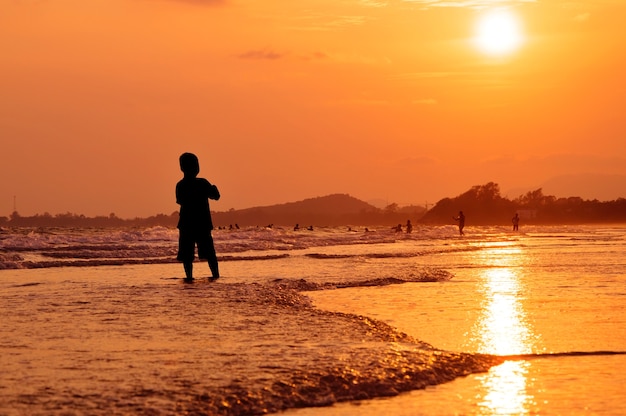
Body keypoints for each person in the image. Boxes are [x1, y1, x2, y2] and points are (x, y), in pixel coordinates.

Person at [176, 152, 221, 282]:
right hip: (202, 223)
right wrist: (213, 189)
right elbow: (216, 196)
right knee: (209, 252)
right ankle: (215, 274)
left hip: (187, 223)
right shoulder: (202, 183)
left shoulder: (181, 185)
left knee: (187, 254)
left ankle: (189, 276)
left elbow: (180, 200)